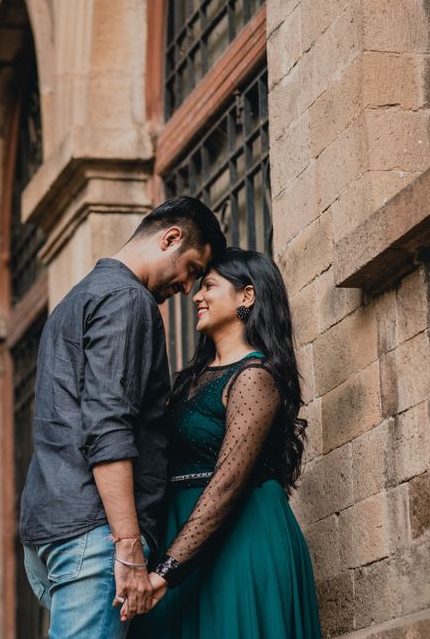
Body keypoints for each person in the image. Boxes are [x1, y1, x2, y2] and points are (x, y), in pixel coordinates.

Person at [19, 196, 225, 638]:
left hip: (54, 524)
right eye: (191, 269)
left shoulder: (78, 298)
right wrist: (127, 547)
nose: (188, 289)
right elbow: (108, 426)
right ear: (170, 238)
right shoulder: (127, 300)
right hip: (94, 536)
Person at [130, 247, 321, 638]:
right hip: (181, 539)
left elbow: (229, 480)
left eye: (210, 286)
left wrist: (167, 570)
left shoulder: (254, 375)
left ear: (246, 296)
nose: (197, 296)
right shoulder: (192, 378)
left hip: (240, 541)